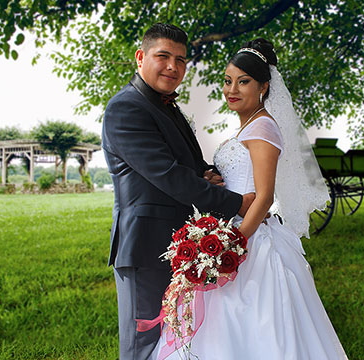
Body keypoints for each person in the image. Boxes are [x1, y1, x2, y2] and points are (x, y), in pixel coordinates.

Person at [153, 39, 348, 359]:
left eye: (243, 81)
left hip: (250, 237)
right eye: (228, 81)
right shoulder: (247, 128)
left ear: (264, 86)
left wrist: (232, 244)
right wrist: (213, 180)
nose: (232, 89)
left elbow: (265, 197)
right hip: (229, 227)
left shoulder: (262, 128)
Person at [101, 23, 255, 360]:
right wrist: (236, 203)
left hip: (178, 244)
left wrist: (206, 173)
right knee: (144, 342)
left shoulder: (165, 106)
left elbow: (189, 163)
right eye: (163, 56)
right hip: (144, 247)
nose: (174, 66)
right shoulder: (125, 109)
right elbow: (168, 175)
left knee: (174, 340)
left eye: (181, 60)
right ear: (141, 57)